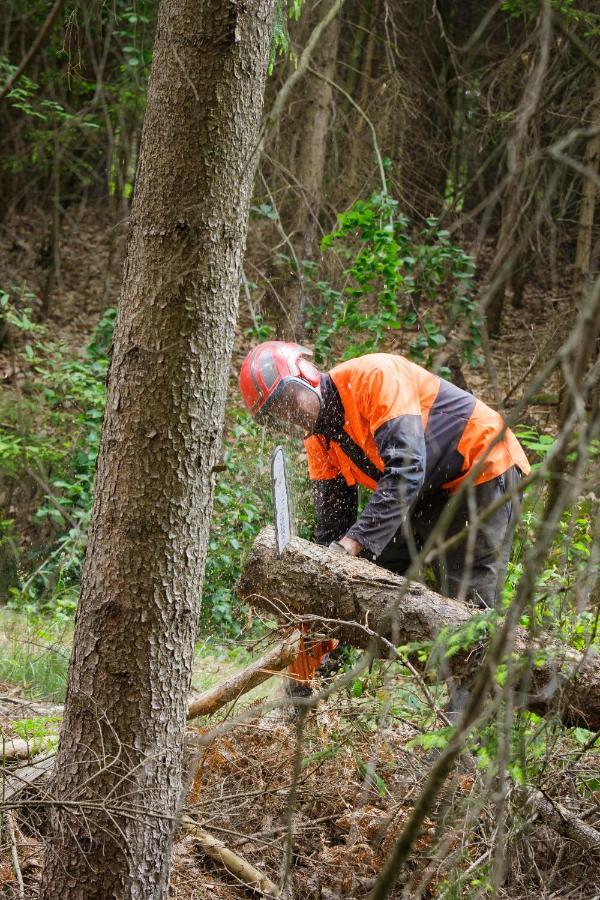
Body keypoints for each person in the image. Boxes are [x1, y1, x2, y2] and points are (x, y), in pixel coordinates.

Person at [239, 341, 530, 690]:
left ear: (305, 375)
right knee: (359, 578)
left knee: (470, 606)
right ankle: (309, 689)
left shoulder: (373, 377)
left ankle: (460, 732)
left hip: (482, 466)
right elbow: (333, 524)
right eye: (278, 414)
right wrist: (322, 574)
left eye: (288, 401)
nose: (289, 415)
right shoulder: (319, 441)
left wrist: (350, 545)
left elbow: (406, 469)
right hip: (427, 490)